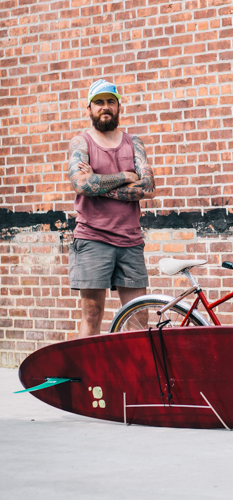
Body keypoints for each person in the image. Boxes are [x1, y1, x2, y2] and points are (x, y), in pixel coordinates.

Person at [68, 79, 156, 337]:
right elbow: (81, 184)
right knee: (92, 315)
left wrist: (99, 183)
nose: (105, 107)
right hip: (93, 238)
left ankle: (134, 378)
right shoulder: (81, 143)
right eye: (99, 102)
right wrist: (126, 176)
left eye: (110, 102)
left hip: (130, 241)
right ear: (89, 108)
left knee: (139, 316)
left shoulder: (133, 142)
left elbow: (149, 187)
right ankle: (87, 377)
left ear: (118, 107)